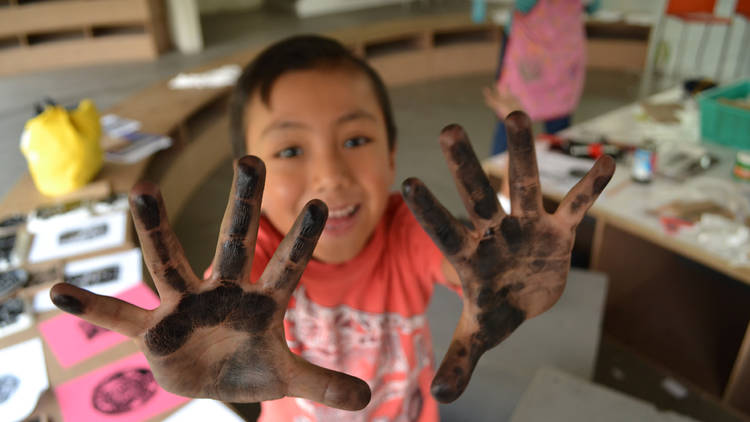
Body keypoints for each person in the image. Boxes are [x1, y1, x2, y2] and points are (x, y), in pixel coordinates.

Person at [49, 35, 614, 421]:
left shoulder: (403, 229)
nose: (331, 175)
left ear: (392, 154)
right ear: (249, 175)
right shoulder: (250, 269)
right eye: (291, 148)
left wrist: (501, 279)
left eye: (355, 140)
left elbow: (460, 266)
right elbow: (215, 334)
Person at [488, 0, 601, 155]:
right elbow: (593, 6)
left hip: (542, 60)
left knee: (514, 122)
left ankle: (501, 172)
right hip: (555, 58)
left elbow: (522, 5)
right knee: (523, 120)